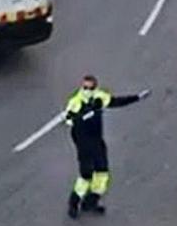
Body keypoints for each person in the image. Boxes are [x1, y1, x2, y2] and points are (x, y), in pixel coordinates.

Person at [64, 75, 150, 218]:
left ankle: (91, 202)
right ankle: (74, 204)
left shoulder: (99, 97)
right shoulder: (76, 102)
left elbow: (115, 101)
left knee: (102, 173)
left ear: (95, 88)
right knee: (86, 175)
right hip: (83, 142)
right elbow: (70, 121)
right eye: (84, 87)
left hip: (97, 140)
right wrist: (88, 113)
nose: (87, 90)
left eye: (90, 88)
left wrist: (137, 98)